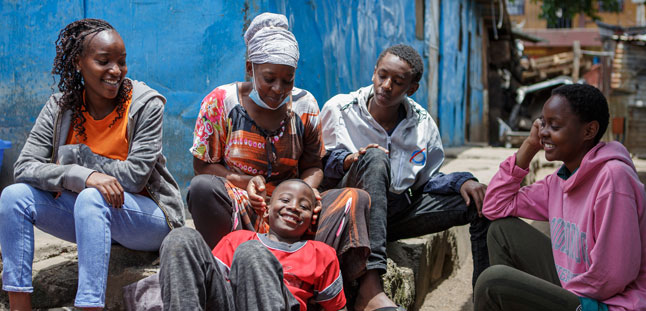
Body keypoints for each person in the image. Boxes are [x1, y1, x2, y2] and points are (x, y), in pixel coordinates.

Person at [0, 19, 184, 310]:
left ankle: (89, 305)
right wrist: (81, 174)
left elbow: (135, 177)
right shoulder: (61, 107)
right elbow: (24, 167)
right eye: (104, 61)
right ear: (78, 62)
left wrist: (81, 163)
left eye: (121, 62)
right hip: (89, 213)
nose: (115, 71)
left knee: (91, 197)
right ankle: (19, 304)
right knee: (13, 197)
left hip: (147, 217)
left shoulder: (145, 104)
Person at [187, 12, 371, 284]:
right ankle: (228, 276)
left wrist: (306, 191)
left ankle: (311, 274)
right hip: (246, 202)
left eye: (288, 80)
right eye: (269, 78)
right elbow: (202, 165)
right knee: (202, 188)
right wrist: (244, 181)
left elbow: (313, 165)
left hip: (291, 210)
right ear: (250, 67)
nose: (278, 88)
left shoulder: (305, 105)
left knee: (355, 199)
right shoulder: (221, 102)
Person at [320, 44, 490, 310]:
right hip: (351, 213)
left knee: (481, 204)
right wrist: (348, 160)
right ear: (374, 72)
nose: (386, 86)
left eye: (397, 82)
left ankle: (485, 301)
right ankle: (370, 287)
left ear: (411, 88)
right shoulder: (341, 109)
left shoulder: (422, 125)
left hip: (397, 213)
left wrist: (462, 182)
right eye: (382, 76)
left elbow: (425, 181)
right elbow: (319, 165)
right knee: (376, 158)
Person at [475, 84, 646, 311]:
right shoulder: (560, 180)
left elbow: (614, 275)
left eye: (554, 126)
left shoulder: (614, 178)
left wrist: (552, 297)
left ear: (589, 131)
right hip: (577, 287)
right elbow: (496, 206)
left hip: (609, 304)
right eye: (542, 123)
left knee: (494, 282)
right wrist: (529, 146)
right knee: (501, 231)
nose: (544, 132)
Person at [159, 179, 347, 311]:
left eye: (304, 206)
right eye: (285, 200)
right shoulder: (237, 239)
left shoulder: (320, 253)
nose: (293, 207)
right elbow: (208, 282)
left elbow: (337, 308)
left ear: (311, 219)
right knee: (180, 237)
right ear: (266, 211)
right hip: (231, 303)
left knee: (252, 252)